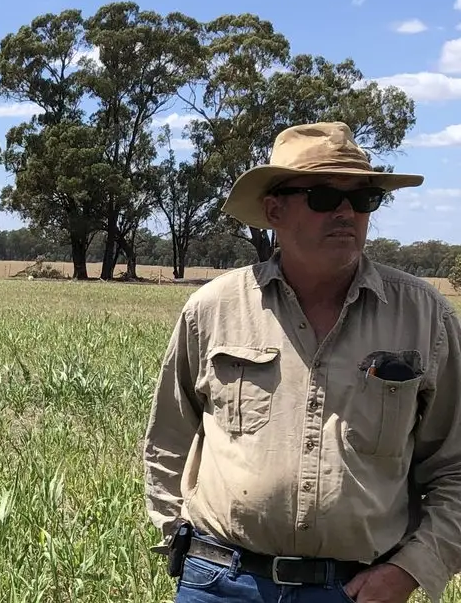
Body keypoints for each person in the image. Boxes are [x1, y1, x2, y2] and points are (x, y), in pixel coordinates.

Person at [142, 121, 461, 603]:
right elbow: (168, 437)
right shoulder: (213, 310)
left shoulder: (425, 317)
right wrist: (177, 537)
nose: (346, 212)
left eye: (363, 199)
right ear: (274, 210)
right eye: (324, 196)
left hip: (355, 589)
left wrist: (411, 570)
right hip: (219, 582)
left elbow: (454, 467)